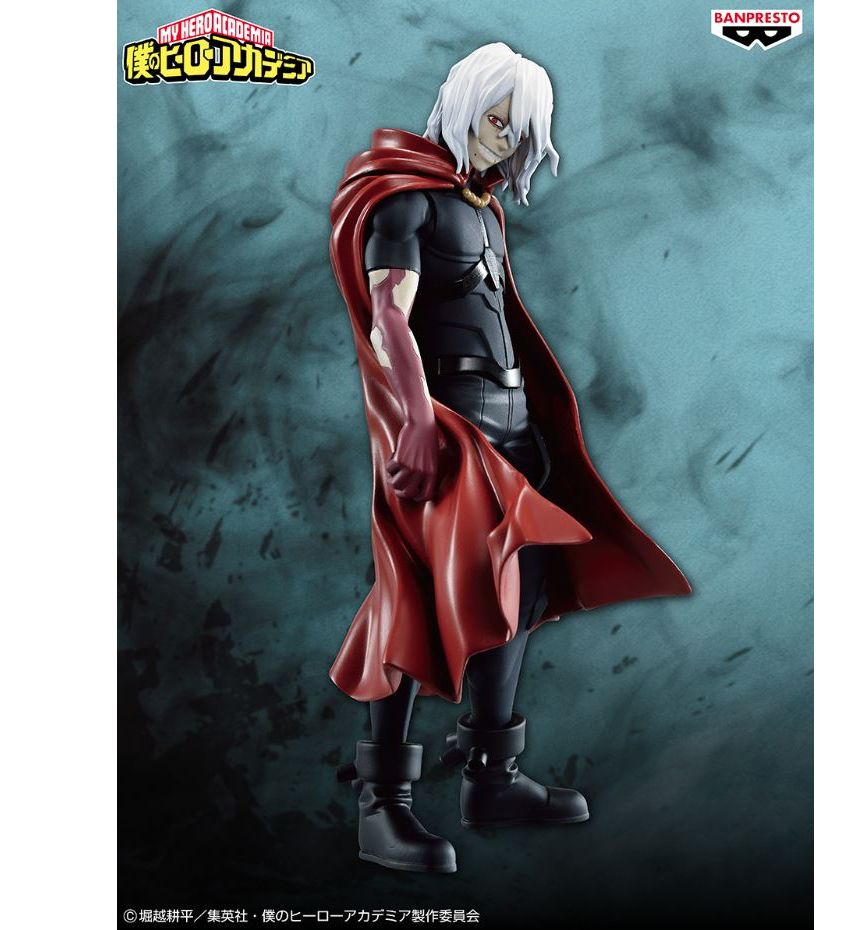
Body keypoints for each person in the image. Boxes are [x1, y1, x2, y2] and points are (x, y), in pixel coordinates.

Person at [328, 43, 690, 874]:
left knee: (519, 586)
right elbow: (390, 316)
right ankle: (383, 804)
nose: (505, 141)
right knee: (412, 597)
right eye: (497, 121)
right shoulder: (405, 199)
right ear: (462, 105)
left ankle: (492, 775)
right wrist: (417, 420)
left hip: (514, 423)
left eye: (519, 130)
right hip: (449, 429)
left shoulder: (483, 209)